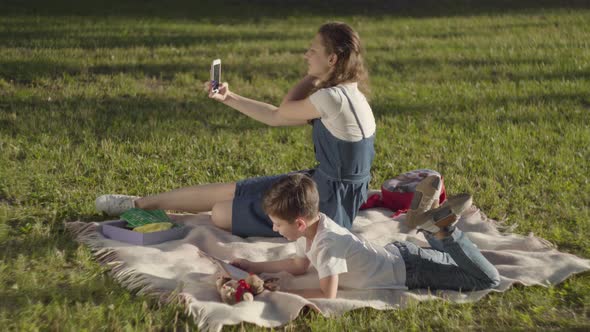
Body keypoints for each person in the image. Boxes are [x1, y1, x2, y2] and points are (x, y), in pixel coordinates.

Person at [95, 22, 376, 237]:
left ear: (332, 59)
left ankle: (144, 206)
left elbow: (282, 109)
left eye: (313, 50)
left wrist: (312, 77)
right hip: (319, 186)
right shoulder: (347, 94)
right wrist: (228, 97)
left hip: (326, 204)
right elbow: (274, 115)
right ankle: (139, 204)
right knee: (230, 190)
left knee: (220, 213)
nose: (306, 55)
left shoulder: (331, 98)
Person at [231, 173, 500, 299]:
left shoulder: (326, 244)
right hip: (401, 255)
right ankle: (430, 225)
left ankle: (444, 230)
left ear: (300, 223)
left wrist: (289, 290)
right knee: (453, 261)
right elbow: (298, 265)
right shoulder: (314, 227)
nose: (275, 230)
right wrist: (254, 267)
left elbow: (328, 295)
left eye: (277, 225)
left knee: (486, 279)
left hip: (412, 271)